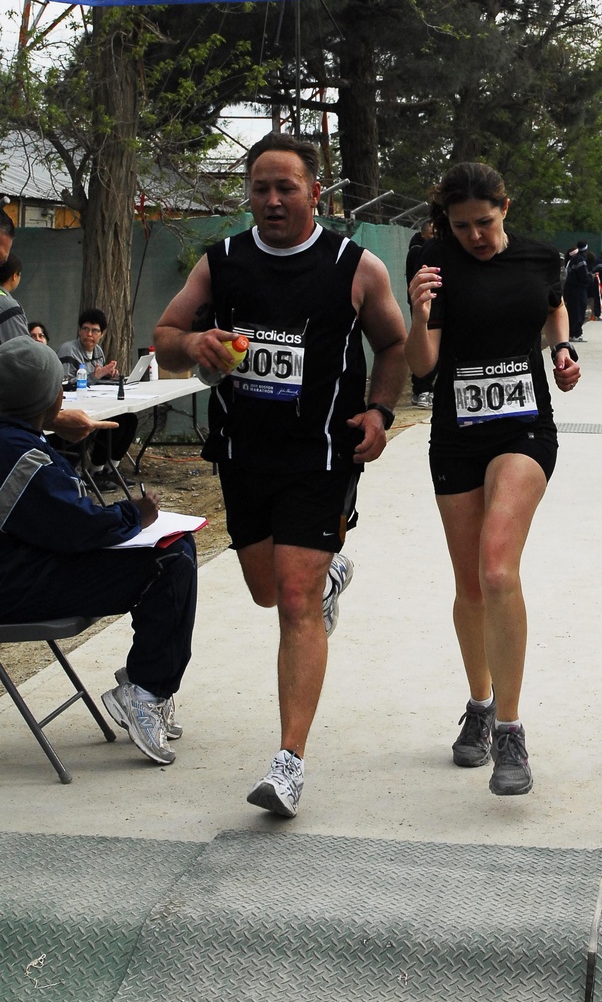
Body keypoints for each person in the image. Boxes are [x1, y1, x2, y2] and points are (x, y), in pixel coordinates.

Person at [153, 131, 407, 819]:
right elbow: (165, 340)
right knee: (267, 592)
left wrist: (380, 410)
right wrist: (194, 342)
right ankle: (331, 576)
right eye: (260, 188)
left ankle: (288, 762)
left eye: (285, 187)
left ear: (313, 193)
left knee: (295, 601)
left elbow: (393, 345)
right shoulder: (222, 263)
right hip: (243, 455)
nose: (271, 199)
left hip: (320, 458)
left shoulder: (355, 267)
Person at [406, 162, 581, 797]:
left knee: (497, 568)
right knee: (470, 585)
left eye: (484, 222)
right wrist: (417, 311)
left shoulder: (539, 256)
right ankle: (479, 703)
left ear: (505, 208)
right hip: (456, 433)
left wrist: (561, 351)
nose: (474, 236)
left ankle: (509, 728)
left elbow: (554, 308)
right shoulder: (433, 261)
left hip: (524, 429)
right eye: (461, 226)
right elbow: (422, 367)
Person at [0, 336, 197, 765]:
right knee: (169, 557)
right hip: (14, 585)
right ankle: (145, 689)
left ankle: (149, 680)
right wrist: (133, 514)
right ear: (43, 399)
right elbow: (73, 528)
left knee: (175, 546)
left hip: (19, 567)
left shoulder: (14, 439)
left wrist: (51, 429)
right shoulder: (19, 455)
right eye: (59, 388)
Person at [0, 210, 116, 449]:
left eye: (1, 262)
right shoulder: (5, 307)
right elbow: (27, 382)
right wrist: (56, 419)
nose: (90, 335)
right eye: (86, 329)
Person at [56, 309, 139, 488]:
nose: (89, 335)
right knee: (104, 424)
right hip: (74, 408)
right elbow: (63, 384)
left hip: (95, 402)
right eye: (85, 329)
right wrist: (95, 376)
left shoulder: (98, 351)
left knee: (128, 419)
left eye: (95, 331)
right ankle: (93, 472)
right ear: (79, 330)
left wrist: (108, 374)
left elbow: (96, 378)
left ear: (102, 334)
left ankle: (110, 469)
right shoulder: (68, 350)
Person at [406, 217, 437, 406]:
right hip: (423, 304)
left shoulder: (433, 250)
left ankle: (427, 388)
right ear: (423, 233)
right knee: (425, 345)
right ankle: (421, 389)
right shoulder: (417, 251)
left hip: (434, 302)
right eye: (431, 233)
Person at [563, 241, 591, 342]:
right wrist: (589, 278)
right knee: (578, 311)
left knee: (573, 311)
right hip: (579, 289)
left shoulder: (572, 260)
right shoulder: (581, 260)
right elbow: (583, 276)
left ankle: (571, 333)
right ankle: (576, 333)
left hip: (571, 289)